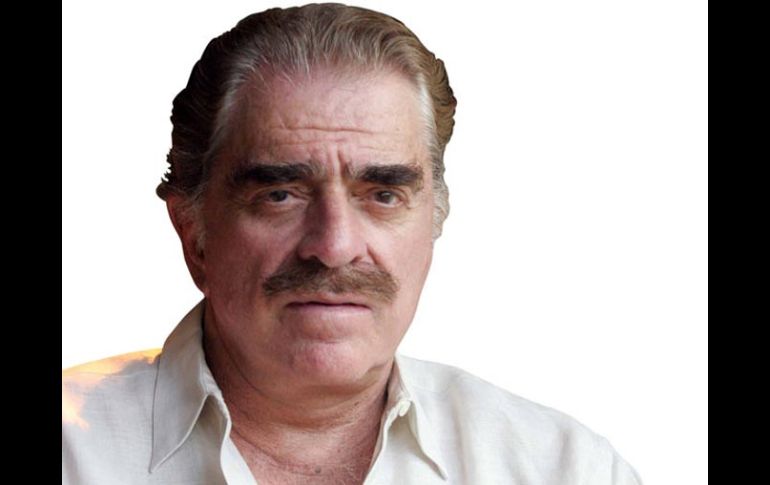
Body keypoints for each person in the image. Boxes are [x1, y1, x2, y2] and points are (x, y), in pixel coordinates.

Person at [62, 4, 642, 484]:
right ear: (193, 232)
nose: (334, 247)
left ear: (434, 220)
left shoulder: (564, 469)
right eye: (280, 194)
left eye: (383, 195)